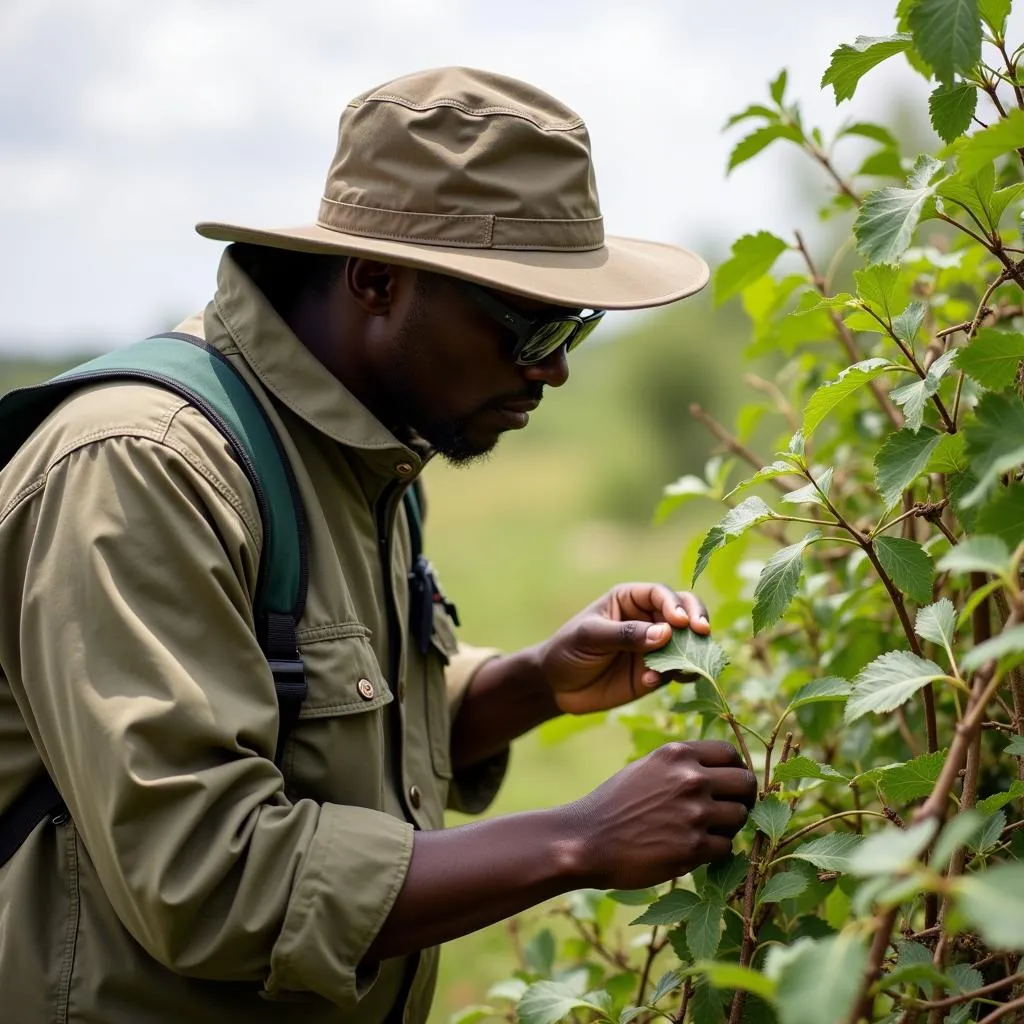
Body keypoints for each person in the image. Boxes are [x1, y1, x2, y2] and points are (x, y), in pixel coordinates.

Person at [0, 67, 756, 1024]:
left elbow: (317, 719)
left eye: (577, 324)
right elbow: (204, 877)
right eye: (530, 323)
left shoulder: (369, 451)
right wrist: (581, 838)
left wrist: (532, 684)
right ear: (374, 281)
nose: (557, 367)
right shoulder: (141, 467)